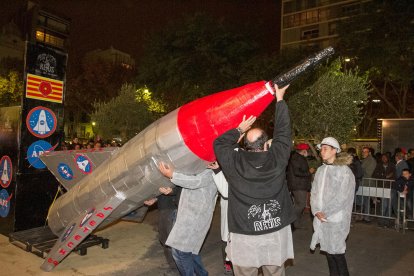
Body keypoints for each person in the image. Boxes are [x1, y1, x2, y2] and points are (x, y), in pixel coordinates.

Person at [214, 84, 295, 276]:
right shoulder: (277, 158)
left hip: (244, 236)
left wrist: (238, 130)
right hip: (275, 232)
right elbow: (284, 132)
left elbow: (219, 143)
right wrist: (280, 99)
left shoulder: (234, 161)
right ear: (267, 144)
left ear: (244, 144)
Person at [157, 162, 217, 276]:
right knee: (191, 253)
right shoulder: (200, 166)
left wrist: (172, 175)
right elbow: (187, 184)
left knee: (180, 252)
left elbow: (196, 181)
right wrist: (171, 189)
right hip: (189, 214)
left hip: (195, 216)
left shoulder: (211, 169)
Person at [310, 137, 355, 276]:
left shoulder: (344, 171)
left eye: (325, 149)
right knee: (329, 252)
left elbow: (342, 197)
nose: (321, 152)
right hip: (321, 217)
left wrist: (326, 212)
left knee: (337, 253)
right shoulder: (321, 170)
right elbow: (314, 192)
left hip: (336, 218)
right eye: (321, 149)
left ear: (334, 150)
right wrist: (316, 210)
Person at [287, 143, 313, 229]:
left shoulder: (298, 157)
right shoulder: (297, 158)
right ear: (304, 151)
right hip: (298, 185)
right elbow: (297, 172)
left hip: (299, 184)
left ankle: (296, 223)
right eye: (307, 151)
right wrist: (309, 172)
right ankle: (290, 220)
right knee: (300, 205)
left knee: (299, 204)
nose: (308, 152)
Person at [372, 154, 396, 226]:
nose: (384, 159)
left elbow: (395, 175)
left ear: (388, 158)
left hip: (391, 187)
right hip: (382, 187)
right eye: (382, 157)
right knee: (384, 204)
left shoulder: (392, 165)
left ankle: (387, 220)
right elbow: (374, 175)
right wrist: (385, 176)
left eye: (385, 157)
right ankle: (381, 220)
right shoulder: (379, 165)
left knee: (389, 204)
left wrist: (388, 176)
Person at [357, 147, 376, 222]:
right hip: (364, 182)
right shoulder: (366, 160)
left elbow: (368, 173)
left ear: (369, 153)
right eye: (363, 152)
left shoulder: (370, 160)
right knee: (364, 200)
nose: (364, 153)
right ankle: (363, 216)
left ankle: (366, 217)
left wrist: (360, 171)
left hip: (367, 183)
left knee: (366, 200)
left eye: (366, 152)